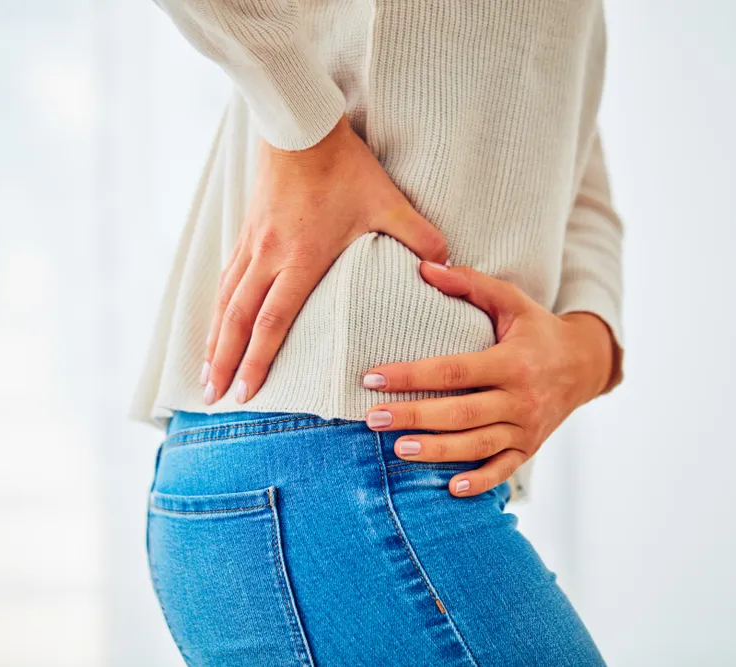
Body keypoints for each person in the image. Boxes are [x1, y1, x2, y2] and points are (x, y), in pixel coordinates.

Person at [135, 0, 624, 664]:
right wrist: (307, 128)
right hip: (350, 462)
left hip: (344, 470)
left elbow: (567, 131)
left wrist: (589, 343)